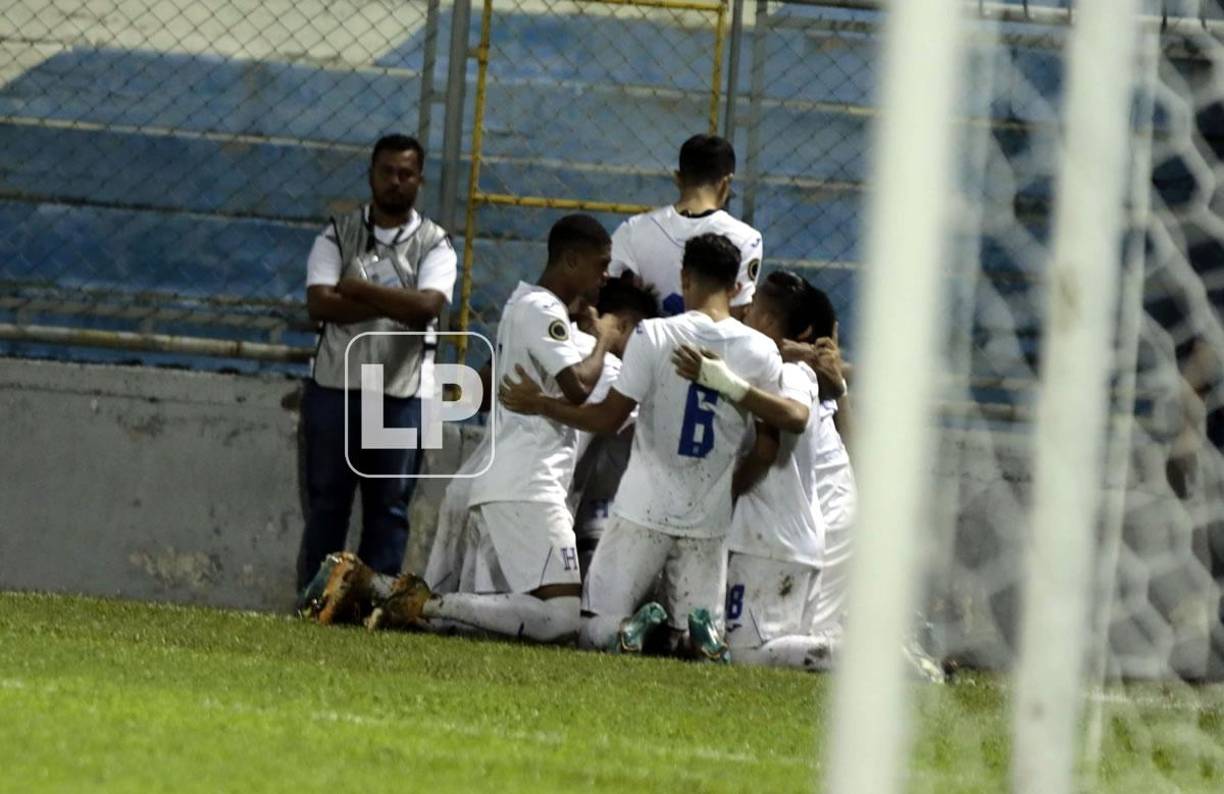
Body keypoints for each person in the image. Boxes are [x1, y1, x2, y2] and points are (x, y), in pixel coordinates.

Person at [305, 214, 617, 641]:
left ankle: (379, 590)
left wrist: (429, 400)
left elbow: (482, 392)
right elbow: (580, 388)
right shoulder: (546, 313)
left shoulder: (523, 306)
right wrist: (607, 338)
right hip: (528, 485)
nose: (605, 276)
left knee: (512, 612)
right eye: (601, 265)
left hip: (502, 482)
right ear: (571, 260)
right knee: (560, 617)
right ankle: (418, 604)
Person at [499, 233, 808, 661]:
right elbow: (768, 448)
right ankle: (699, 636)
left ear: (685, 278)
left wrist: (541, 403)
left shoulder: (657, 334)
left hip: (642, 509)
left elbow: (607, 419)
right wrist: (726, 489)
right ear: (736, 287)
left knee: (593, 625)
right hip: (708, 518)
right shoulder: (760, 351)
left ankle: (627, 629)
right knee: (696, 638)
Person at [296, 134, 457, 594]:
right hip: (337, 388)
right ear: (371, 175)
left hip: (399, 393)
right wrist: (395, 300)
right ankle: (316, 599)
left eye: (406, 174)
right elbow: (319, 304)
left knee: (389, 508)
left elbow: (426, 308)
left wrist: (359, 289)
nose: (395, 181)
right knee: (328, 505)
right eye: (387, 171)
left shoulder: (435, 244)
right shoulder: (337, 233)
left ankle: (372, 603)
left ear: (420, 181)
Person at [609, 134, 763, 320]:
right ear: (726, 182)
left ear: (678, 178)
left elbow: (608, 293)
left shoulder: (633, 229)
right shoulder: (746, 238)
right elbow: (736, 315)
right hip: (710, 339)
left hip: (644, 336)